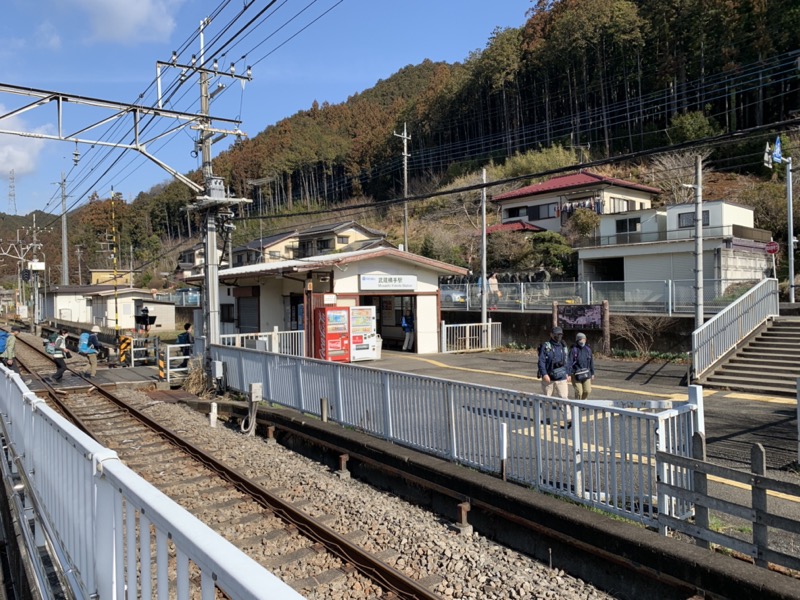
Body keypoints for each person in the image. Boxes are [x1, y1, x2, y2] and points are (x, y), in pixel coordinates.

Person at [537, 326, 571, 426]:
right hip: (549, 378)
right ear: (551, 334)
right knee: (547, 399)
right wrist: (544, 374)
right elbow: (541, 361)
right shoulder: (546, 346)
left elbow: (567, 361)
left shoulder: (563, 346)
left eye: (560, 334)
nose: (558, 336)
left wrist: (568, 373)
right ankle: (547, 418)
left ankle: (568, 419)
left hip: (561, 377)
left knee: (564, 398)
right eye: (556, 334)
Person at [569, 332, 595, 400]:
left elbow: (591, 362)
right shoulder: (573, 350)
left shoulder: (588, 350)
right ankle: (578, 405)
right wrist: (569, 373)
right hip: (576, 374)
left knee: (587, 390)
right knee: (579, 392)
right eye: (581, 339)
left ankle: (583, 403)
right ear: (577, 340)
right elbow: (569, 362)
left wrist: (592, 373)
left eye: (584, 339)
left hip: (586, 373)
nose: (582, 341)